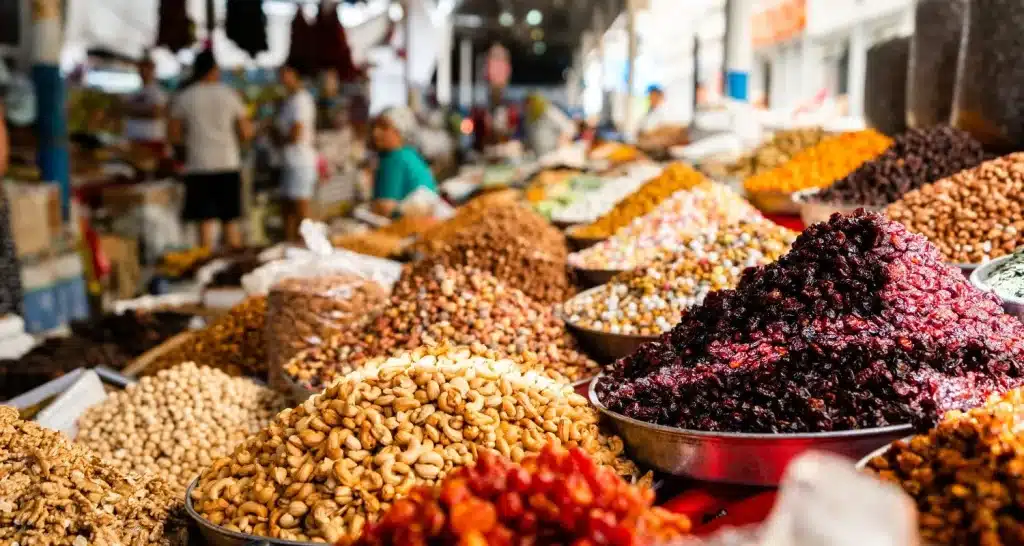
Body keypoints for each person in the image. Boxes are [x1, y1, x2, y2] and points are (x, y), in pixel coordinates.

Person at [168, 50, 253, 249]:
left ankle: (205, 270)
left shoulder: (185, 97)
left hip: (198, 164)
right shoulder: (229, 94)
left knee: (204, 227)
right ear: (214, 70)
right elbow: (246, 132)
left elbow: (173, 134)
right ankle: (234, 270)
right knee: (230, 223)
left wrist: (184, 151)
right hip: (227, 163)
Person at [275, 63, 318, 243]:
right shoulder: (289, 100)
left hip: (301, 162)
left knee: (301, 211)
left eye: (286, 74)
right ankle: (291, 245)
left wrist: (277, 136)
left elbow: (295, 132)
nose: (282, 79)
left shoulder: (301, 100)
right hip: (289, 161)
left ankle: (306, 246)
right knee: (287, 210)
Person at [370, 106, 437, 217]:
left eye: (384, 128)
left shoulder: (394, 159)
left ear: (400, 131)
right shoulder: (409, 154)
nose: (375, 133)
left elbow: (385, 208)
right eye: (375, 127)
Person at [122, 56, 168, 156]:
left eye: (147, 68)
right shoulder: (135, 92)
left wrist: (132, 110)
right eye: (141, 68)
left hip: (151, 140)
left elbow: (156, 113)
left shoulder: (157, 92)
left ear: (153, 70)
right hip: (134, 139)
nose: (143, 71)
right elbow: (123, 109)